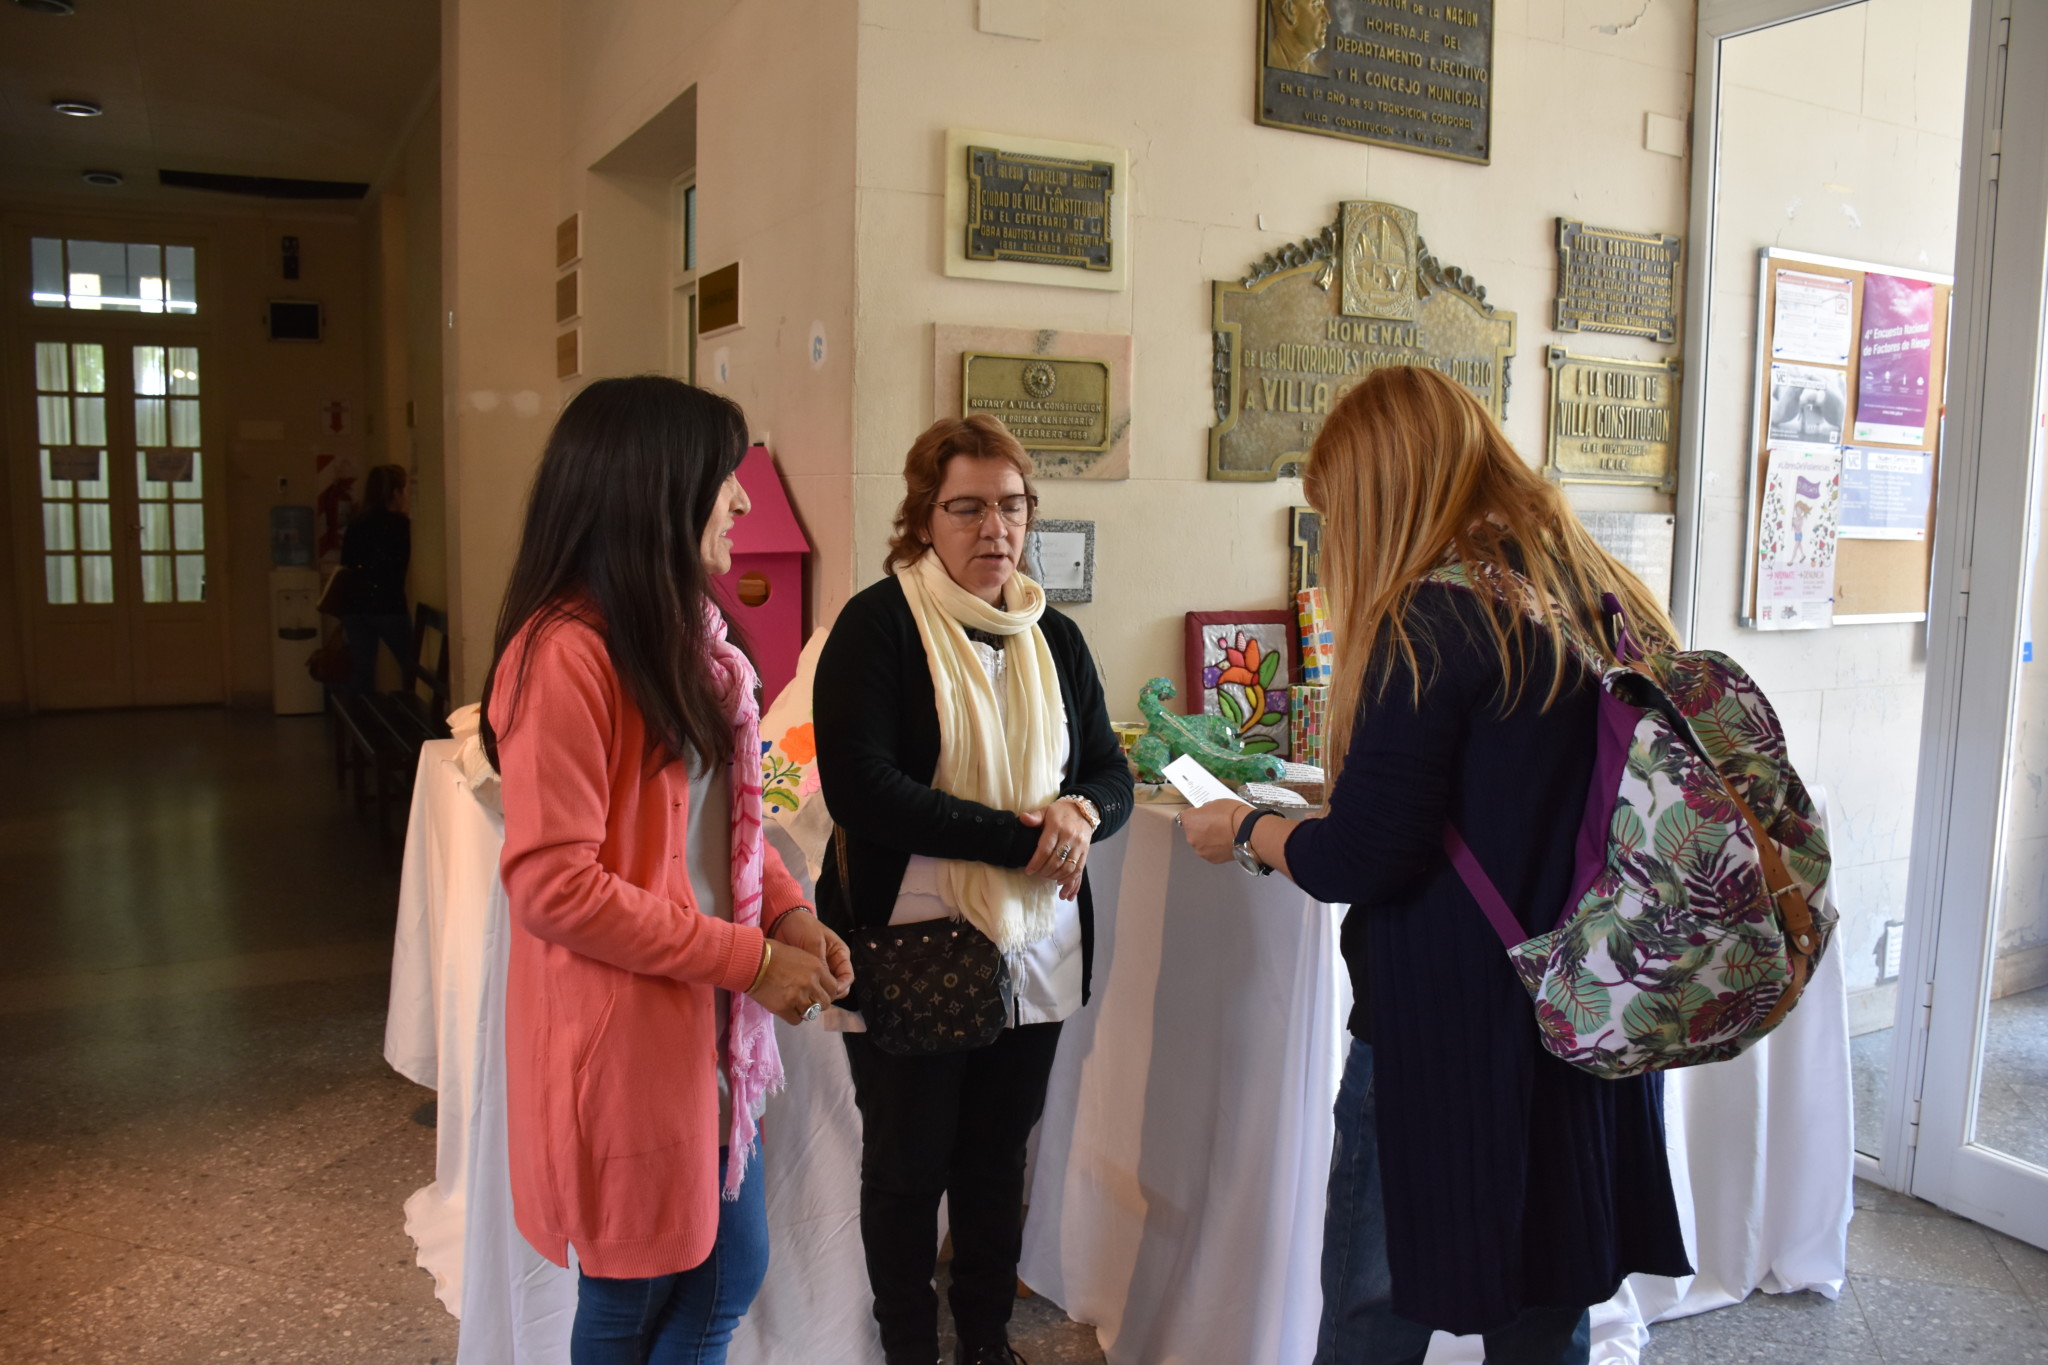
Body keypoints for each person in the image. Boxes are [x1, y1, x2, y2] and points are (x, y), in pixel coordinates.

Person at [1180, 366, 1691, 1365]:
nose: (1335, 541)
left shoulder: (1434, 622)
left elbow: (1363, 857)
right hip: (1585, 1001)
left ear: (1383, 494)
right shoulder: (1584, 589)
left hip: (1449, 1037)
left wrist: (1244, 830)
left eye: (1335, 513)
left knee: (1375, 1302)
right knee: (1547, 1301)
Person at [482, 375, 853, 1365]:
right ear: (655, 486)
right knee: (639, 1298)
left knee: (725, 1273)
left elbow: (722, 822)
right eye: (724, 478)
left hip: (702, 1021)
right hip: (626, 1038)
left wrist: (785, 916)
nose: (741, 502)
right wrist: (746, 960)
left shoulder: (684, 638)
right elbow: (556, 885)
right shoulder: (566, 653)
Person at [813, 415, 1133, 1365]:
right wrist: (1022, 838)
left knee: (997, 1166)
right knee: (910, 1169)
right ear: (923, 517)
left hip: (1037, 946)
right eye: (967, 507)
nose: (995, 527)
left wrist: (1081, 813)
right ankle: (910, 1348)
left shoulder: (1054, 634)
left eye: (1013, 504)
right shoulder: (877, 628)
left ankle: (987, 1343)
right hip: (912, 942)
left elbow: (1110, 771)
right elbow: (863, 788)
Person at [337, 463, 414, 692]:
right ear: (394, 493)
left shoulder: (357, 523)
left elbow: (347, 564)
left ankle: (362, 722)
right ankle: (409, 718)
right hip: (389, 605)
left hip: (356, 606)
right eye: (403, 490)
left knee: (362, 672)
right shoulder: (401, 525)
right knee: (411, 664)